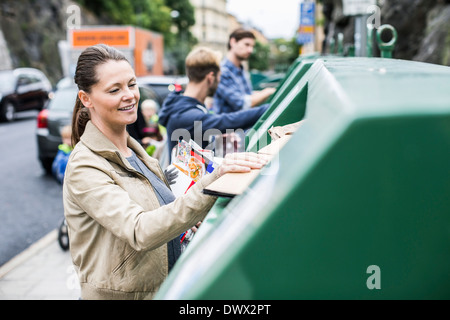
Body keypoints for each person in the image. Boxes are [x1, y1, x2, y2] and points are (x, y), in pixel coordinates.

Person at [63, 44, 268, 300]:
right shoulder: (85, 166)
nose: (129, 95)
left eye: (132, 84)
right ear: (86, 99)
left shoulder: (136, 152)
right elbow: (139, 230)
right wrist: (211, 182)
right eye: (115, 90)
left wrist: (187, 220)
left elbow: (156, 209)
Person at [159, 46, 269, 158]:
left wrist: (217, 141)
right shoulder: (184, 114)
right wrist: (268, 108)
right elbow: (226, 121)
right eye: (219, 76)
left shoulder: (184, 105)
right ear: (211, 78)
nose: (220, 81)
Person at [213, 28, 276, 114]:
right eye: (247, 45)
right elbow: (241, 104)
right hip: (230, 127)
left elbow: (247, 95)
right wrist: (267, 92)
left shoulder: (240, 68)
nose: (250, 50)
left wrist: (261, 93)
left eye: (252, 46)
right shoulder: (222, 71)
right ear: (233, 42)